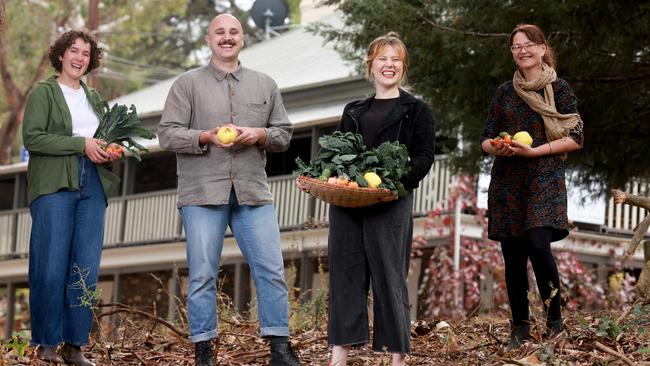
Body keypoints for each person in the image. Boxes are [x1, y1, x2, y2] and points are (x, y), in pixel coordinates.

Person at [158, 14, 300, 366]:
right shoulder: (187, 84)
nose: (227, 37)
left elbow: (283, 132)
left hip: (253, 193)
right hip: (203, 195)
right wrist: (205, 136)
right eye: (219, 32)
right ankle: (204, 351)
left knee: (271, 270)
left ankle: (280, 349)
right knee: (203, 274)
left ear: (242, 38)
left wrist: (261, 134)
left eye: (233, 32)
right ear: (209, 39)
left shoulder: (264, 84)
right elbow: (167, 134)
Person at [321, 32, 436, 366]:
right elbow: (336, 152)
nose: (389, 65)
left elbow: (424, 157)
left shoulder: (416, 110)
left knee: (389, 275)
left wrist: (393, 183)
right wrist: (330, 175)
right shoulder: (353, 109)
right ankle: (339, 353)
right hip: (348, 202)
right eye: (383, 59)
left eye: (396, 59)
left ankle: (397, 355)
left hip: (391, 201)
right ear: (370, 65)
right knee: (345, 274)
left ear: (404, 67)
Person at [480, 24, 584, 350]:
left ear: (542, 48)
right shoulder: (504, 92)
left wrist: (534, 151)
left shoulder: (559, 88)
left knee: (538, 244)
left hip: (544, 174)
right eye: (516, 47)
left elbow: (576, 137)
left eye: (529, 45)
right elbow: (485, 138)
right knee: (512, 255)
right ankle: (520, 328)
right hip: (508, 180)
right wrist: (497, 146)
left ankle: (555, 322)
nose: (522, 50)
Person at [22, 30, 121, 366]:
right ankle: (47, 343)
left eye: (86, 53)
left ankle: (74, 346)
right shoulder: (44, 93)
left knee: (86, 266)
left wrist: (108, 149)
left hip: (92, 186)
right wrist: (81, 145)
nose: (80, 58)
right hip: (53, 185)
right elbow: (34, 139)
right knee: (50, 264)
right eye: (74, 51)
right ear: (61, 55)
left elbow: (100, 140)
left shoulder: (94, 99)